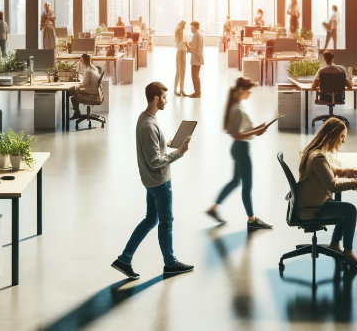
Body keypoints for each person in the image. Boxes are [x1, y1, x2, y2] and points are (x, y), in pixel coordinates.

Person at [111, 82, 194, 279]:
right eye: (164, 97)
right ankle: (170, 263)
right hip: (160, 182)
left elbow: (153, 146)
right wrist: (180, 152)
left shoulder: (146, 118)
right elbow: (155, 160)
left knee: (151, 219)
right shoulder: (149, 125)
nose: (166, 100)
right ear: (156, 98)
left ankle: (124, 258)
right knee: (166, 221)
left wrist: (169, 143)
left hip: (150, 181)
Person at [296, 117, 357, 265]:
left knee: (342, 207)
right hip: (312, 208)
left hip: (310, 200)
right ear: (332, 135)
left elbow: (330, 170)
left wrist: (350, 172)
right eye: (342, 136)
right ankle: (348, 251)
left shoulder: (316, 151)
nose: (343, 141)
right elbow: (333, 186)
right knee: (350, 210)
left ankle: (335, 244)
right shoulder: (318, 157)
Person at [206, 77, 273, 229]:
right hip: (241, 150)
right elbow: (235, 135)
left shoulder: (238, 106)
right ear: (240, 90)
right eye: (248, 90)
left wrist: (257, 130)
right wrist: (256, 131)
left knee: (236, 181)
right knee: (247, 186)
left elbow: (243, 131)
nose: (250, 93)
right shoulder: (236, 109)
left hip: (239, 148)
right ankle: (252, 220)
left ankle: (213, 209)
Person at [186, 21, 204, 98]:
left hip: (196, 59)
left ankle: (197, 93)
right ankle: (197, 92)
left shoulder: (195, 36)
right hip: (198, 58)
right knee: (196, 75)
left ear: (195, 27)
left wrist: (186, 45)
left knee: (194, 76)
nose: (191, 28)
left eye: (192, 27)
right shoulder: (199, 35)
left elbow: (192, 50)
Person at [174, 21, 188, 97]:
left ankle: (182, 89)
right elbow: (177, 30)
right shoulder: (178, 34)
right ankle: (175, 90)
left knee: (183, 72)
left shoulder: (184, 34)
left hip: (184, 52)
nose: (183, 28)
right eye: (183, 26)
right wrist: (179, 25)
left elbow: (186, 43)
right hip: (179, 52)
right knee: (178, 72)